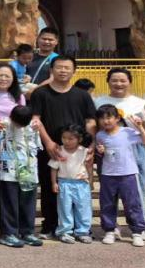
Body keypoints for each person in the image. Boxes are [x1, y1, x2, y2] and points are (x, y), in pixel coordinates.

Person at [28, 55, 96, 238]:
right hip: (50, 149)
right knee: (50, 187)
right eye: (59, 67)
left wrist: (90, 145)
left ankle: (80, 227)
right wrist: (48, 142)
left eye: (67, 68)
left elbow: (90, 122)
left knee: (79, 190)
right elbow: (36, 119)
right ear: (51, 70)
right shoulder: (40, 93)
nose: (63, 71)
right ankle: (50, 225)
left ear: (74, 71)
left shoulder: (82, 95)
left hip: (77, 152)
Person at [94, 68, 145, 211]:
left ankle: (138, 222)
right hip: (107, 149)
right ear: (108, 82)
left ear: (130, 82)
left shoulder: (140, 103)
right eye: (114, 80)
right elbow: (94, 127)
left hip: (134, 150)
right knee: (109, 191)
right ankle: (110, 223)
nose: (118, 84)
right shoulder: (99, 102)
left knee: (137, 189)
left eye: (123, 81)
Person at [94, 105, 145, 246]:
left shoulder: (127, 132)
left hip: (128, 174)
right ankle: (110, 230)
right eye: (102, 118)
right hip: (108, 174)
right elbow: (101, 153)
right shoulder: (100, 135)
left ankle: (137, 232)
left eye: (109, 117)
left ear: (117, 118)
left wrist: (140, 127)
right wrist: (100, 151)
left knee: (132, 204)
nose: (105, 121)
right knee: (107, 204)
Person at [0, 105, 42, 248]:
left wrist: (37, 128)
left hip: (29, 170)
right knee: (10, 203)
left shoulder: (33, 126)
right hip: (9, 171)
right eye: (17, 123)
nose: (20, 126)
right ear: (11, 117)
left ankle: (27, 232)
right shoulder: (3, 124)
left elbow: (37, 145)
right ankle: (9, 233)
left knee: (28, 203)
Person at [49, 124, 93, 243]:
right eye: (64, 138)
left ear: (79, 139)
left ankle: (83, 231)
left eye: (70, 138)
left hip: (82, 183)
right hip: (64, 183)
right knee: (65, 209)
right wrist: (54, 183)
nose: (66, 141)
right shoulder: (59, 151)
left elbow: (89, 167)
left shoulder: (84, 151)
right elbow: (54, 168)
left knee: (83, 208)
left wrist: (91, 180)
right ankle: (65, 232)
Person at [22, 28, 60, 93]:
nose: (46, 42)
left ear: (56, 42)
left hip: (45, 94)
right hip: (26, 93)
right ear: (38, 39)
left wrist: (35, 90)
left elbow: (53, 78)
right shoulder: (30, 56)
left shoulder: (57, 59)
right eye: (44, 39)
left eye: (50, 40)